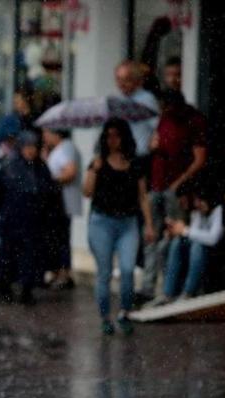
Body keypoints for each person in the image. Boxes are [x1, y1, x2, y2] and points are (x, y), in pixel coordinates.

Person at [84, 118, 155, 335]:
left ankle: (124, 311)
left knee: (127, 269)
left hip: (128, 222)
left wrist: (149, 224)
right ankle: (105, 317)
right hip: (102, 222)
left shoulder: (135, 164)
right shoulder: (98, 162)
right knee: (104, 272)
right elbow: (87, 192)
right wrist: (94, 171)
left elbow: (143, 197)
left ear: (124, 137)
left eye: (117, 135)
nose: (112, 140)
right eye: (109, 136)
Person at [139, 89, 208, 301]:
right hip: (157, 184)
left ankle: (171, 286)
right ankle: (149, 286)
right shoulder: (164, 119)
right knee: (151, 235)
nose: (164, 112)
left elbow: (199, 158)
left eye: (166, 108)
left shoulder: (193, 120)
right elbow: (155, 145)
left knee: (174, 237)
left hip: (176, 188)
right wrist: (153, 146)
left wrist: (180, 184)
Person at [0, 131, 60, 305]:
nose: (30, 151)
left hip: (33, 221)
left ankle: (26, 289)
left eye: (33, 147)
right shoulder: (9, 166)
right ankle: (4, 288)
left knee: (30, 257)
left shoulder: (41, 168)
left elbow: (50, 194)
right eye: (27, 147)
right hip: (11, 220)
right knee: (7, 257)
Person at [158, 187, 224, 303]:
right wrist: (176, 230)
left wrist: (185, 230)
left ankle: (188, 292)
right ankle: (168, 293)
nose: (197, 204)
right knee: (177, 243)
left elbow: (213, 238)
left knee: (197, 246)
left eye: (200, 201)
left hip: (214, 253)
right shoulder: (197, 213)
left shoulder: (219, 211)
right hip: (194, 254)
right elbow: (192, 233)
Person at [43, 128, 83, 289]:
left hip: (63, 202)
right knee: (57, 237)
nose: (44, 137)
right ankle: (58, 271)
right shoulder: (58, 149)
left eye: (47, 133)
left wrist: (50, 180)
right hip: (57, 203)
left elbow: (70, 171)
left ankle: (64, 272)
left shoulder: (66, 147)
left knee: (61, 238)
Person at [114, 60, 159, 155]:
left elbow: (158, 127)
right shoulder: (118, 100)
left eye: (126, 79)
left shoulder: (146, 99)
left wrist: (152, 145)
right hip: (122, 157)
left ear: (137, 80)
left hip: (140, 156)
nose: (121, 84)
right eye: (118, 79)